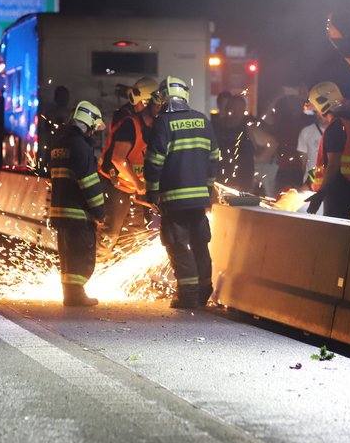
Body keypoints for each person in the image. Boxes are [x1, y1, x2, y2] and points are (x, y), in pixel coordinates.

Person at [144, 76, 221, 309]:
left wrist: (152, 192)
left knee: (178, 244)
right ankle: (204, 288)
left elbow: (154, 161)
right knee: (200, 242)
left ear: (164, 98)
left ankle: (188, 293)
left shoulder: (163, 123)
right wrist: (208, 188)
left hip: (173, 200)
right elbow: (214, 157)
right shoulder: (202, 120)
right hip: (199, 200)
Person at [48, 100, 108, 306]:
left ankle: (70, 294)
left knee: (68, 255)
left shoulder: (59, 143)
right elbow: (89, 183)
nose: (93, 133)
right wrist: (100, 211)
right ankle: (76, 294)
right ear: (89, 124)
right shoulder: (80, 146)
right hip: (78, 213)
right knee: (82, 254)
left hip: (60, 211)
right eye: (93, 128)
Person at [97, 76, 159, 261]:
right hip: (114, 183)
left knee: (136, 234)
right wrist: (139, 184)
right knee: (110, 233)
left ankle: (127, 281)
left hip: (132, 185)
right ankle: (97, 270)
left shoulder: (153, 123)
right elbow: (118, 158)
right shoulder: (127, 120)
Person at [304, 81, 350, 219]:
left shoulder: (334, 128)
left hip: (337, 191)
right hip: (344, 189)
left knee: (333, 234)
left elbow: (333, 164)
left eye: (316, 108)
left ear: (323, 104)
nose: (316, 113)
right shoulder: (344, 125)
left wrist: (321, 194)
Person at [213, 93, 255, 193]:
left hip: (243, 179)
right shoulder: (217, 126)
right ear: (228, 109)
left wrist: (259, 158)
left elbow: (271, 142)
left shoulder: (249, 126)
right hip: (220, 177)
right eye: (233, 109)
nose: (236, 113)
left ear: (244, 110)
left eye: (240, 109)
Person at [296, 100, 326, 187]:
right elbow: (303, 162)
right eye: (317, 112)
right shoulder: (306, 132)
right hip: (310, 184)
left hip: (329, 184)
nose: (319, 114)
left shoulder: (338, 131)